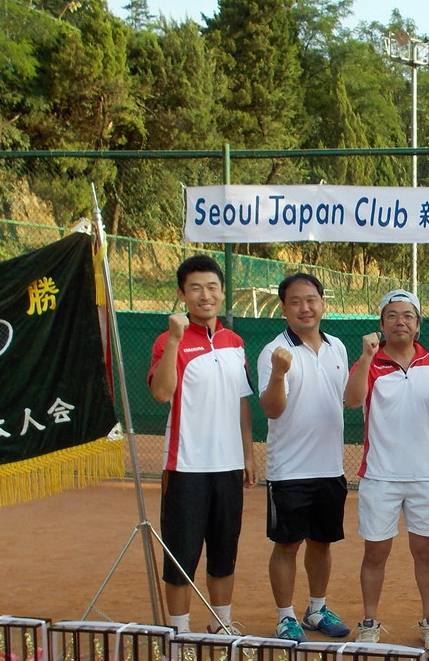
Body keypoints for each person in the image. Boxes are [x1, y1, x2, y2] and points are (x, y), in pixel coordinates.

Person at [147, 254, 257, 634]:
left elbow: (243, 401)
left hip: (228, 468)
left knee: (224, 553)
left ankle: (221, 625)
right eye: (195, 288)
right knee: (181, 555)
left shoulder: (235, 342)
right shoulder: (167, 341)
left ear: (222, 293)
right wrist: (176, 339)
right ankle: (178, 632)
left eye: (212, 287)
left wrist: (247, 453)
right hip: (185, 468)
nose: (205, 295)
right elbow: (162, 393)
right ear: (182, 294)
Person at [344, 289, 429, 648]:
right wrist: (366, 358)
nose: (400, 322)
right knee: (375, 552)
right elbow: (351, 400)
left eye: (408, 315)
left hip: (427, 475)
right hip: (380, 475)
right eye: (392, 315)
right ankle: (369, 623)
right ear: (381, 324)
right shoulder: (368, 363)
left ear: (418, 325)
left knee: (425, 552)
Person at [257, 272, 351, 640]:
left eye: (311, 299)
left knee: (321, 542)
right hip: (288, 470)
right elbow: (272, 408)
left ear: (323, 303)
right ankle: (285, 617)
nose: (304, 307)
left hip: (329, 467)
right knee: (287, 545)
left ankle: (316, 610)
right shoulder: (274, 351)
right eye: (295, 301)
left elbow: (344, 400)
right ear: (284, 308)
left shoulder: (338, 348)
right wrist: (280, 374)